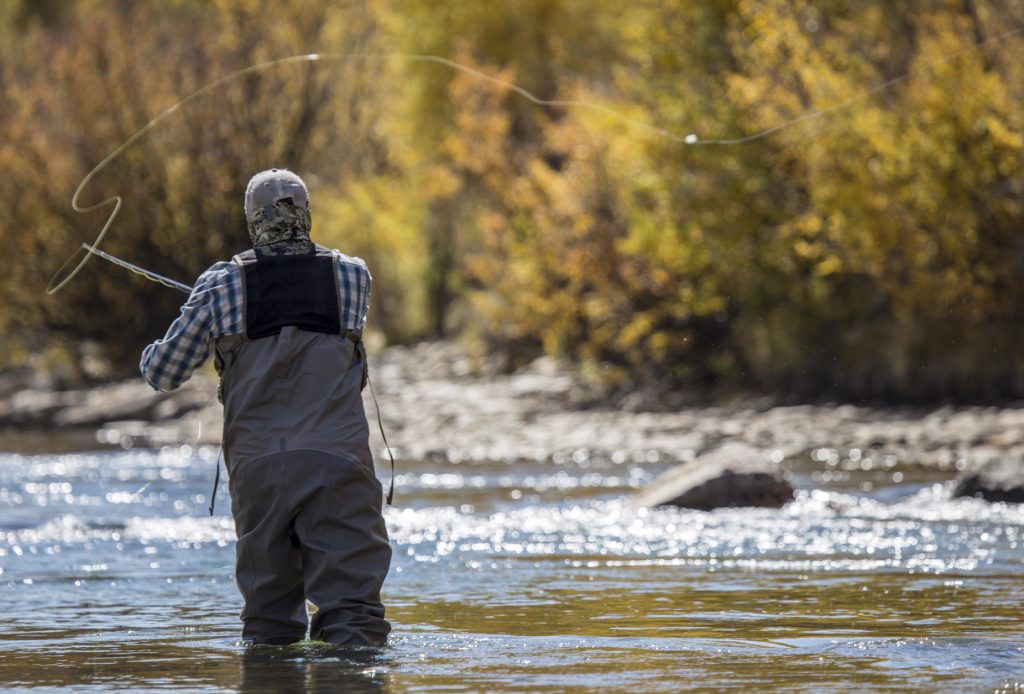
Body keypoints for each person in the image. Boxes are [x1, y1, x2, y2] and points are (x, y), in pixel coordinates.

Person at [140, 168, 392, 646]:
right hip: (338, 463)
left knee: (269, 625)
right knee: (354, 617)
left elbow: (162, 373)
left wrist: (185, 322)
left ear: (251, 219)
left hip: (258, 470)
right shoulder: (353, 274)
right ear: (307, 214)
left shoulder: (219, 284)